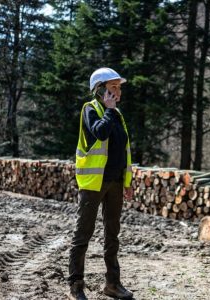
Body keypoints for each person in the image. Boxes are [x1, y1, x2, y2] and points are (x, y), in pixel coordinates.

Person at [68, 67, 134, 300]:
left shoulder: (117, 114)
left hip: (115, 182)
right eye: (113, 87)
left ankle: (113, 284)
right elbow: (100, 133)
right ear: (100, 90)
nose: (118, 91)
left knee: (112, 235)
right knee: (83, 234)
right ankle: (76, 286)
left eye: (119, 87)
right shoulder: (91, 109)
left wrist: (128, 181)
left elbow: (124, 151)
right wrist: (108, 110)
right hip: (93, 183)